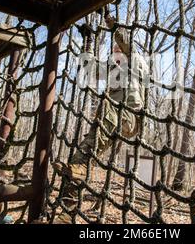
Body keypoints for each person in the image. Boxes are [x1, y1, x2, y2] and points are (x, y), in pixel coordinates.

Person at [53, 11, 149, 224]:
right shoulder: (114, 65)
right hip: (112, 118)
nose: (115, 52)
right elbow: (91, 69)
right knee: (77, 161)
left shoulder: (135, 60)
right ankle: (64, 216)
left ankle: (84, 164)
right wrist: (87, 41)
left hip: (129, 117)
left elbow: (124, 40)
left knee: (105, 105)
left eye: (118, 49)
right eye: (113, 51)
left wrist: (109, 18)